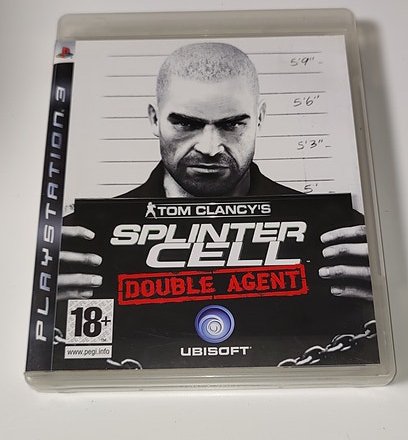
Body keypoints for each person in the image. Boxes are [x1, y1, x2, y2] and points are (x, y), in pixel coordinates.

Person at [59, 42, 371, 303]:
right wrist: (43, 297)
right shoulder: (79, 241)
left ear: (259, 119)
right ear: (154, 120)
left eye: (232, 124)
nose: (209, 148)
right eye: (186, 123)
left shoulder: (342, 236)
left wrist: (386, 290)